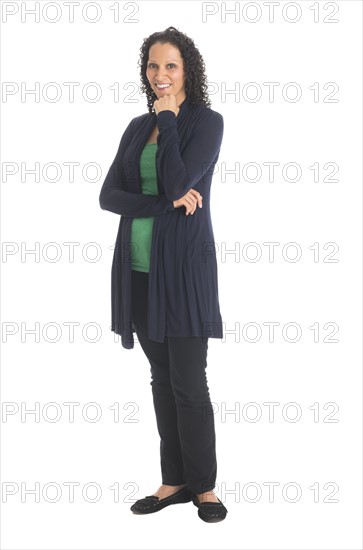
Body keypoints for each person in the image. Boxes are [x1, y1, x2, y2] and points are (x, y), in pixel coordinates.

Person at [99, 26, 228, 523]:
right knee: (160, 378)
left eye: (170, 65)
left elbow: (180, 179)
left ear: (187, 69)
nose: (160, 75)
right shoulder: (136, 127)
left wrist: (170, 120)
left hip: (184, 274)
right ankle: (173, 480)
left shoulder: (207, 122)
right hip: (138, 270)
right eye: (153, 66)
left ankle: (204, 487)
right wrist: (163, 203)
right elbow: (109, 197)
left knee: (189, 381)